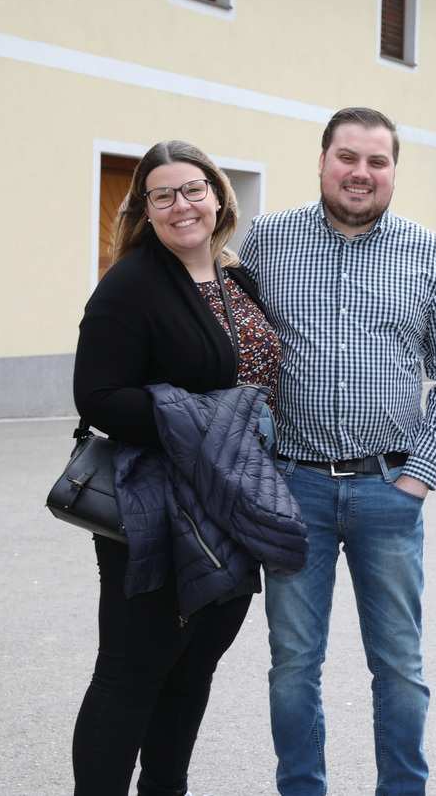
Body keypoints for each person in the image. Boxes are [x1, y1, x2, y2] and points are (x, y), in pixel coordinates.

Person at [239, 107, 436, 796]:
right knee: (293, 663)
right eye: (347, 157)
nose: (360, 172)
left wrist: (418, 478)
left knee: (399, 665)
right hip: (294, 490)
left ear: (393, 170)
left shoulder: (428, 254)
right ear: (322, 161)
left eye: (377, 161)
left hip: (388, 487)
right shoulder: (267, 242)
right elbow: (237, 349)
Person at [72, 140, 289, 796]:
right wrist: (209, 419)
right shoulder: (131, 284)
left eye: (193, 189)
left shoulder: (235, 278)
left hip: (236, 502)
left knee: (193, 670)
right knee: (130, 674)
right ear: (146, 210)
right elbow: (98, 396)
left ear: (218, 195)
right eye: (162, 195)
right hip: (160, 508)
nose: (181, 205)